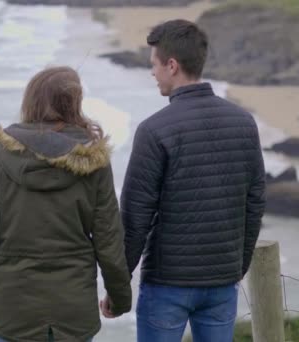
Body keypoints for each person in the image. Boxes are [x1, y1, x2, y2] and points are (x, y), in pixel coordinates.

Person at [106, 19, 266, 342]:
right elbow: (255, 202)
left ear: (172, 66)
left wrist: (118, 287)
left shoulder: (153, 131)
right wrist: (238, 266)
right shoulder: (244, 123)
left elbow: (135, 219)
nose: (152, 73)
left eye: (154, 64)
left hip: (167, 284)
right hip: (222, 282)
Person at [0, 66, 132, 342]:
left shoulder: (1, 156)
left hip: (11, 310)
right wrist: (119, 298)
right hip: (73, 310)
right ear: (74, 105)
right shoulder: (94, 162)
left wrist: (6, 271)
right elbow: (109, 242)